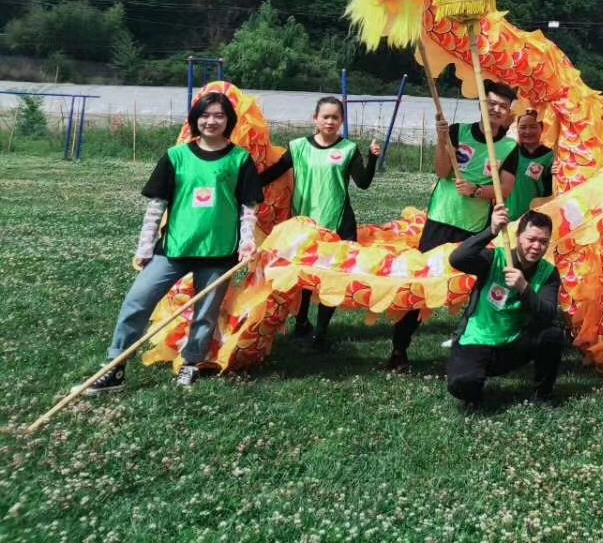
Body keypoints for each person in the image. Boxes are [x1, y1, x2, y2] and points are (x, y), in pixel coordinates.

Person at [87, 91, 264, 392]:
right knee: (137, 301)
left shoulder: (240, 159)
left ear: (229, 120)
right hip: (174, 249)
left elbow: (249, 209)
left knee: (206, 313)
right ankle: (115, 366)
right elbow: (156, 206)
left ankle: (191, 363)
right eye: (205, 115)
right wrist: (145, 247)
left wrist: (246, 243)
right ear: (195, 119)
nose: (211, 121)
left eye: (219, 115)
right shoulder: (175, 156)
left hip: (219, 252)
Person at [385, 80, 517, 370]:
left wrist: (477, 191)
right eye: (491, 103)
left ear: (509, 113)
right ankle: (399, 349)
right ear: (481, 104)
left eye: (502, 107)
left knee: (473, 289)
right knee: (419, 283)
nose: (496, 109)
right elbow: (442, 172)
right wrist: (442, 139)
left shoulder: (508, 148)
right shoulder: (457, 131)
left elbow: (505, 190)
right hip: (441, 220)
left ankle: (468, 347)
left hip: (474, 229)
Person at [259, 96, 381, 349]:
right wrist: (242, 180)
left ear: (341, 121)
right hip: (305, 226)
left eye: (335, 117)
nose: (330, 121)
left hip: (339, 225)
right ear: (315, 119)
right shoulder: (297, 147)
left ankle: (321, 333)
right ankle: (302, 322)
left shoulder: (348, 149)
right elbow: (271, 175)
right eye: (325, 116)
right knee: (304, 277)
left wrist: (372, 157)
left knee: (332, 280)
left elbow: (364, 183)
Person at [445, 204, 565, 408]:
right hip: (478, 340)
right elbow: (458, 259)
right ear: (518, 236)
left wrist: (524, 288)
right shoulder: (494, 259)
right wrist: (490, 231)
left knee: (552, 335)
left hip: (515, 344)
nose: (537, 247)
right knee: (462, 384)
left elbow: (548, 314)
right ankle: (475, 385)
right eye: (531, 239)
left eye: (543, 241)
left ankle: (543, 395)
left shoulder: (549, 273)